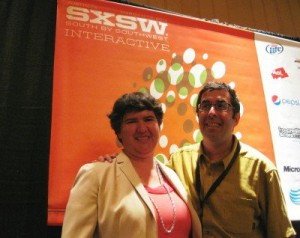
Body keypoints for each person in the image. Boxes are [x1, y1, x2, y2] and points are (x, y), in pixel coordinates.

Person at [98, 82, 296, 238]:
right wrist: (118, 159)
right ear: (198, 115)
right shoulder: (176, 162)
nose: (211, 112)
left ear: (236, 118)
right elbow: (143, 175)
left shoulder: (262, 170)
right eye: (205, 106)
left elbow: (281, 233)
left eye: (221, 105)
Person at [61, 92, 202, 238]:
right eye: (132, 121)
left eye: (148, 119)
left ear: (159, 126)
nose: (142, 128)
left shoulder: (172, 174)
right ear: (119, 132)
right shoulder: (95, 176)